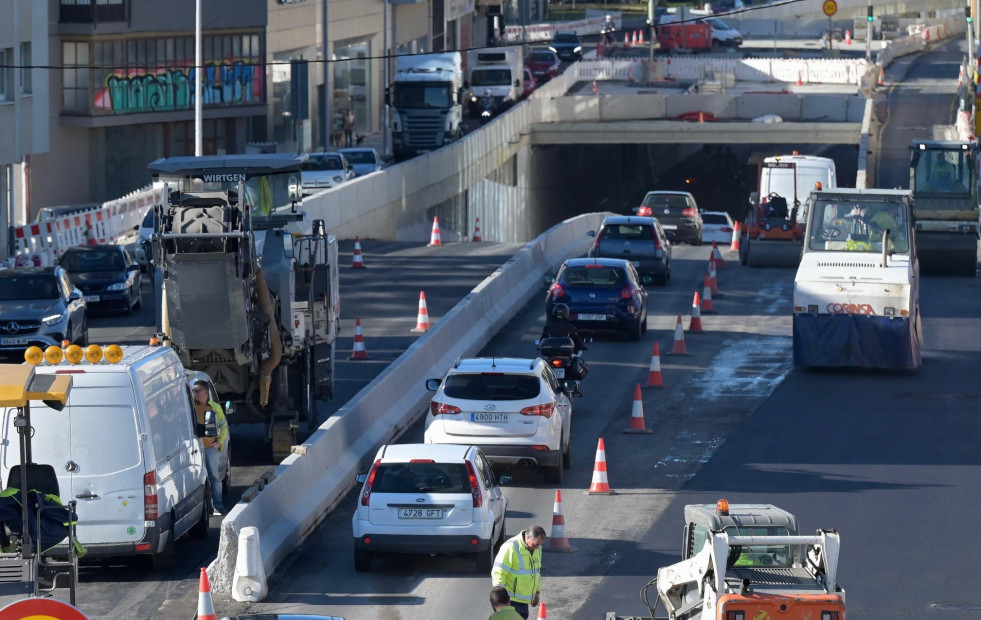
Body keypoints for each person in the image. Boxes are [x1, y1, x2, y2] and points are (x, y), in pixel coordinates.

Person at [491, 526, 546, 620]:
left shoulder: (537, 548)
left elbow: (536, 571)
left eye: (539, 545)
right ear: (528, 537)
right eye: (535, 544)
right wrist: (501, 600)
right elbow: (499, 572)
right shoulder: (510, 547)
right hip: (510, 602)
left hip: (524, 601)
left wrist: (536, 592)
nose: (537, 548)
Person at [192, 381, 228, 515]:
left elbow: (224, 425)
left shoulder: (215, 407)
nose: (195, 393)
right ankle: (205, 508)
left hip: (210, 448)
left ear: (205, 392)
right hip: (195, 450)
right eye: (194, 391)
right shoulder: (191, 407)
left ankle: (218, 505)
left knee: (214, 477)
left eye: (197, 390)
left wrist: (219, 442)